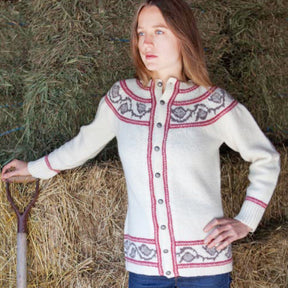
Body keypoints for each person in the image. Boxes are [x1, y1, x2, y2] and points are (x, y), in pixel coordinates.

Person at [1, 0, 280, 287]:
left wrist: (246, 220)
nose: (146, 42)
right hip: (145, 267)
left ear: (183, 36)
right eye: (140, 33)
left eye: (159, 32)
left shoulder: (212, 103)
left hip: (206, 266)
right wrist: (34, 169)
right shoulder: (122, 98)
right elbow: (83, 146)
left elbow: (266, 158)